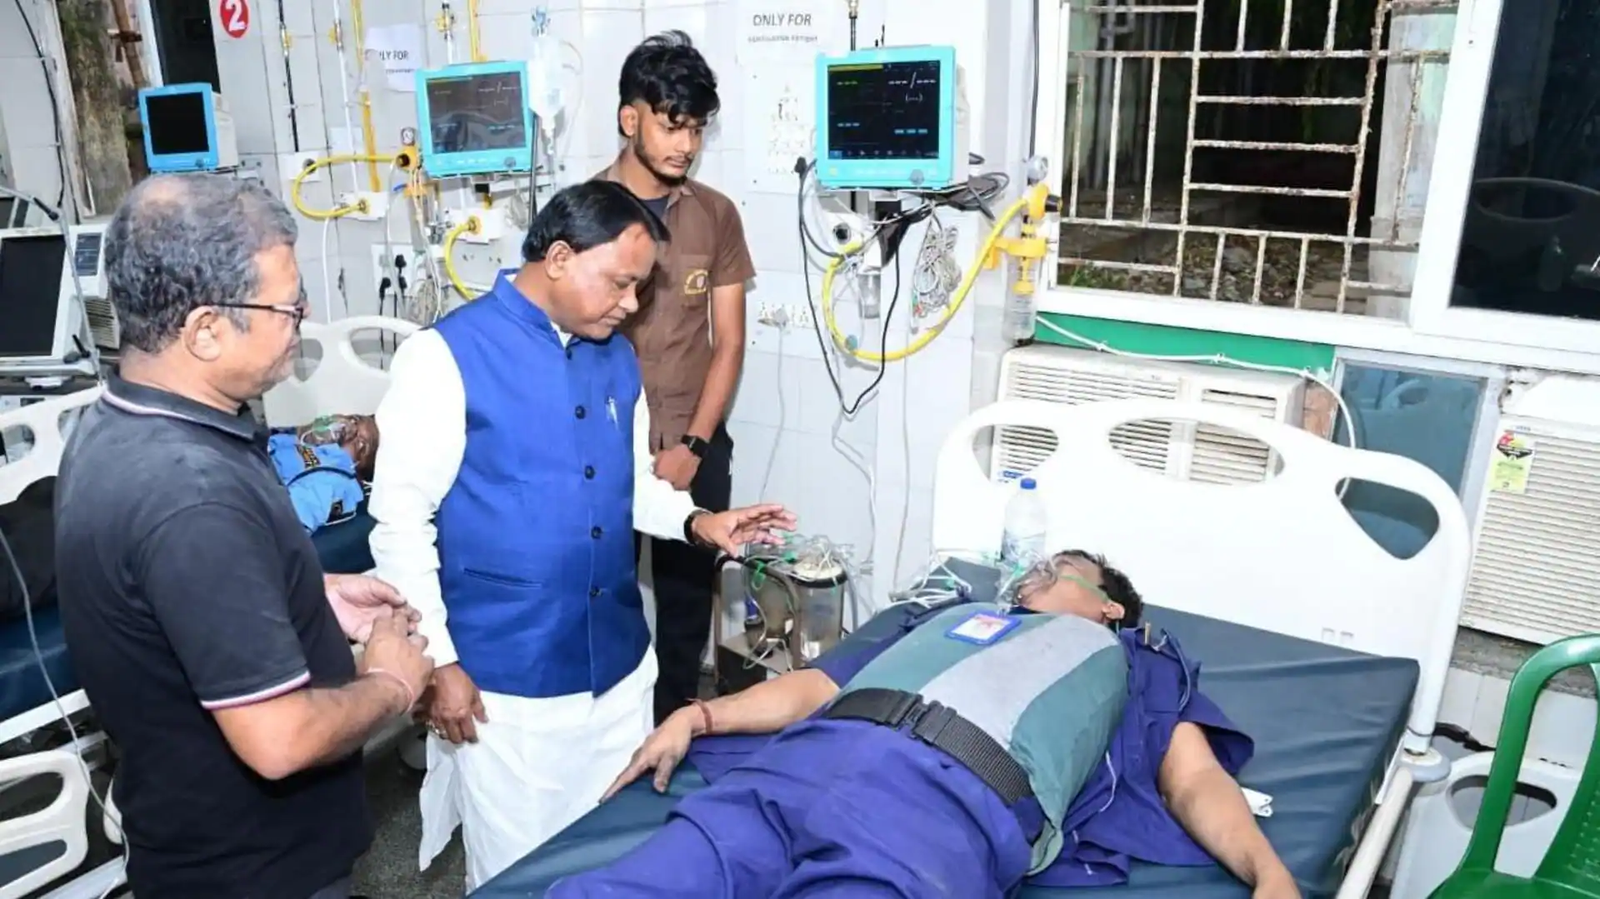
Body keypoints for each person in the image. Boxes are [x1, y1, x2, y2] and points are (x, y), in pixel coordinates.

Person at [366, 180, 794, 889]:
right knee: (519, 871)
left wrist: (698, 521)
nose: (631, 303)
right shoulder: (446, 356)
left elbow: (632, 486)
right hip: (509, 683)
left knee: (615, 858)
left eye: (640, 286)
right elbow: (400, 524)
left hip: (619, 668)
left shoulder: (614, 357)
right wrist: (439, 663)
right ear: (560, 257)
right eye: (621, 283)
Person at [54, 174, 435, 899]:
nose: (303, 316)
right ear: (205, 330)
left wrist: (304, 591)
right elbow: (280, 739)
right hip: (254, 871)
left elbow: (175, 595)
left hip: (198, 839)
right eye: (288, 305)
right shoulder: (192, 494)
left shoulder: (122, 420)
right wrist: (390, 683)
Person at [548, 551, 1301, 899]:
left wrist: (1270, 876)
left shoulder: (1132, 660)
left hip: (937, 808)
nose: (1039, 568)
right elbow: (815, 686)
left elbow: (1193, 778)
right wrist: (699, 714)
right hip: (796, 768)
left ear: (1107, 606)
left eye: (1064, 565)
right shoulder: (945, 617)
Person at [596, 31, 755, 725]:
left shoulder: (715, 216)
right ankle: (610, 735)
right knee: (602, 595)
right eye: (671, 125)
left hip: (696, 436)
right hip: (604, 445)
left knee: (688, 608)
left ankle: (674, 732)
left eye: (696, 129)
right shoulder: (583, 215)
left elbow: (729, 342)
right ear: (630, 118)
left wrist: (693, 444)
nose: (685, 144)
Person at [268, 414, 379, 533]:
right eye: (353, 420)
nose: (346, 426)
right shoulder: (305, 443)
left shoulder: (334, 481)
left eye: (360, 440)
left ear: (363, 454)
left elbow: (288, 526)